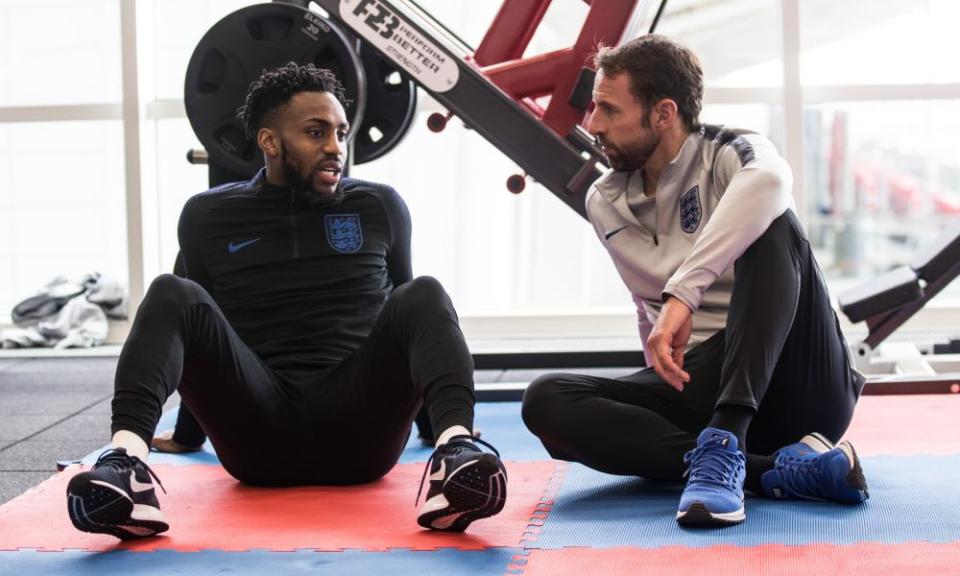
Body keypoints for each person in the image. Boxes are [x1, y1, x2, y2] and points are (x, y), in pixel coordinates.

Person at [65, 63, 507, 539]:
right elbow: (195, 337)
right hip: (258, 436)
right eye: (316, 133)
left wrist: (435, 426)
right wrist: (188, 436)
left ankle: (456, 453)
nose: (335, 147)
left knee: (423, 292)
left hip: (362, 433)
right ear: (270, 142)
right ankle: (126, 463)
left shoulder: (379, 206)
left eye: (340, 132)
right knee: (172, 291)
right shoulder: (207, 216)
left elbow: (412, 325)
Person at [521, 35, 868, 527]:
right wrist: (657, 370)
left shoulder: (733, 153)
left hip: (798, 379)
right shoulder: (603, 199)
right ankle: (765, 472)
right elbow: (646, 307)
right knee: (546, 399)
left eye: (607, 109)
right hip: (705, 378)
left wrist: (683, 294)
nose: (592, 124)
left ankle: (728, 437)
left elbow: (770, 182)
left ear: (663, 113)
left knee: (774, 224)